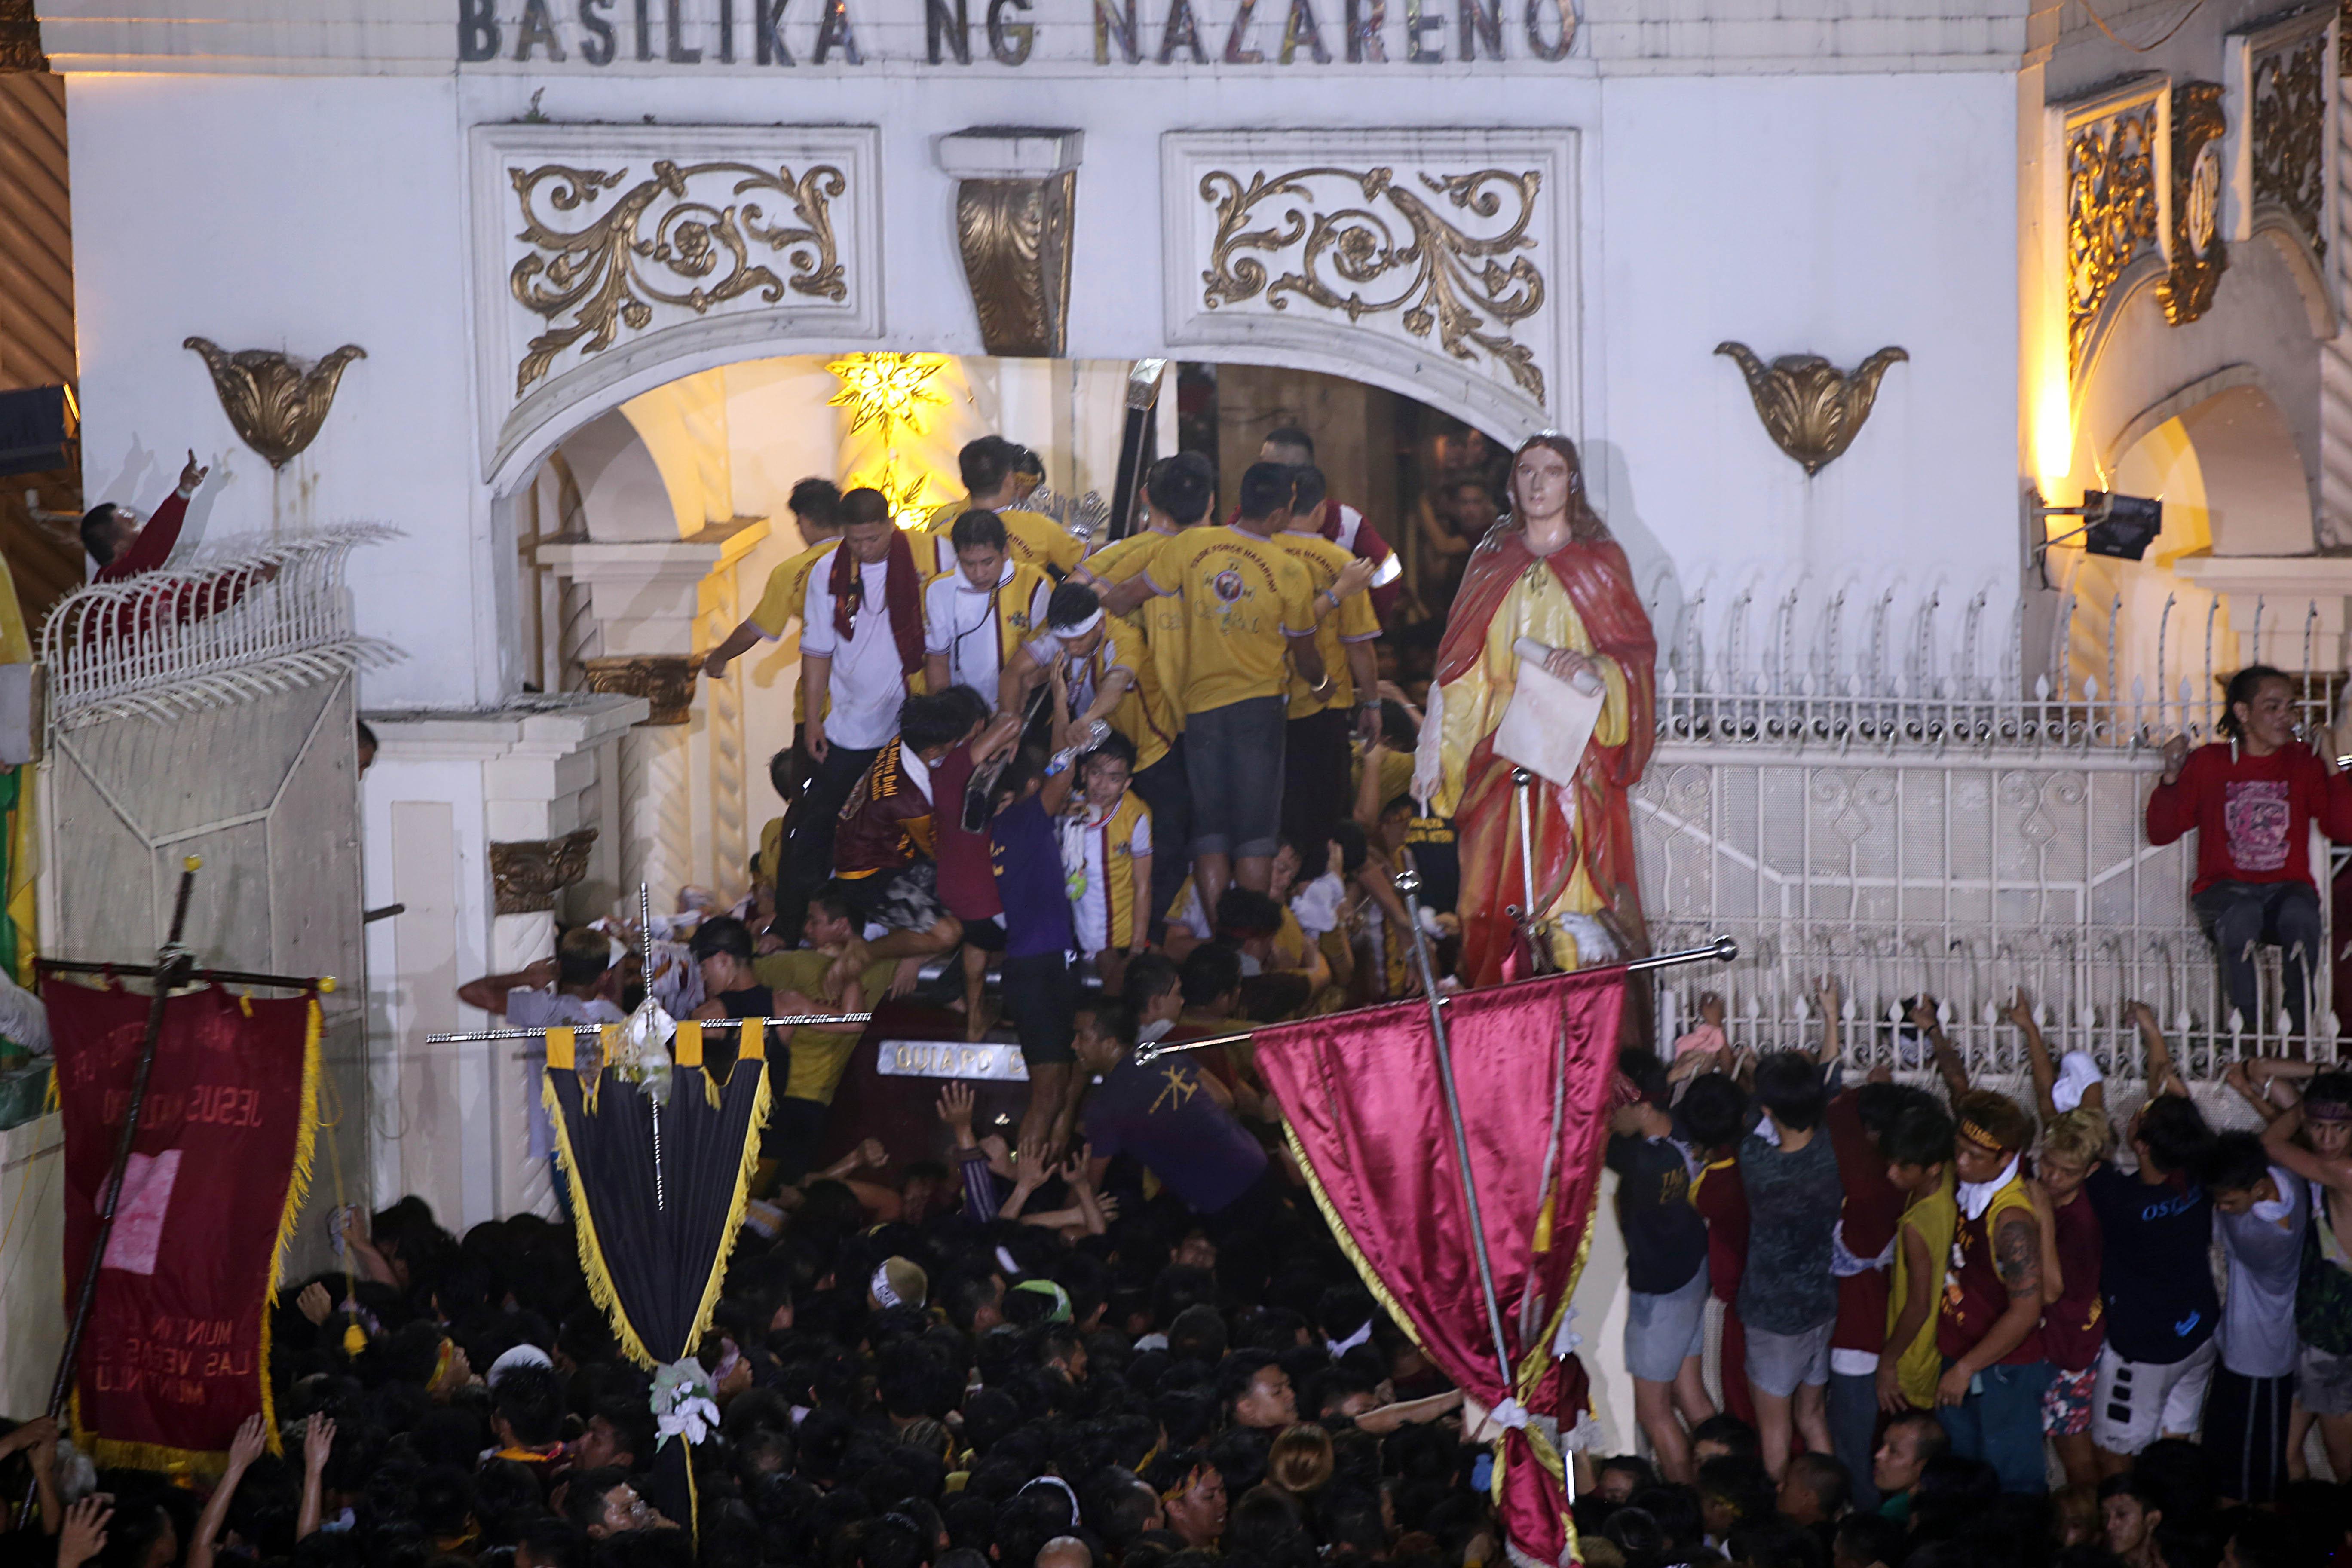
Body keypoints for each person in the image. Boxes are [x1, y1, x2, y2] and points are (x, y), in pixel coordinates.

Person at [1415, 433, 1657, 986]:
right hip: (1501, 752)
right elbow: (1463, 669)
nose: (1538, 482)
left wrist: (1593, 668)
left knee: (1572, 910)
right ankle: (1502, 1025)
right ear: (1512, 481)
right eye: (1527, 470)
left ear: (1571, 484)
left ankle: (1576, 1027)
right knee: (1493, 902)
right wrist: (1440, 744)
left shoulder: (1601, 561)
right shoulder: (1491, 560)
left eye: (1551, 471)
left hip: (1575, 758)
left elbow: (1632, 655)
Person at [1127, 462, 1327, 913]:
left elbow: (1129, 595)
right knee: (1255, 834)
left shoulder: (1192, 545)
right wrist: (1322, 684)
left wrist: (1086, 608)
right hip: (1259, 712)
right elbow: (1305, 653)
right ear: (1281, 513)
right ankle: (1249, 946)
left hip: (1200, 711)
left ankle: (1221, 938)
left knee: (1211, 831)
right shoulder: (1291, 571)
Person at [2145, 662, 2352, 1037]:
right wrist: (2171, 777)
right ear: (2242, 713)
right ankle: (2250, 1039)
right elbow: (2161, 832)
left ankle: (2300, 1038)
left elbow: (2344, 829)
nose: (2285, 717)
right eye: (2273, 707)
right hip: (2225, 891)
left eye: (2290, 707)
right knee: (2240, 914)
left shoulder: (2303, 763)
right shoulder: (2210, 763)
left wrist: (2333, 764)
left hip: (2286, 890)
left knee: (2301, 915)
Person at [788, 487, 926, 936]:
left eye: (872, 539)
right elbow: (816, 652)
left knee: (905, 829)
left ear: (890, 525)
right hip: (848, 726)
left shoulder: (925, 556)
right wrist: (813, 718)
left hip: (908, 724)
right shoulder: (827, 572)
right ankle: (809, 924)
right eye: (855, 541)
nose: (864, 549)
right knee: (824, 824)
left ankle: (901, 927)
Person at [2084, 1008, 2217, 1471]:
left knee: (2116, 1456)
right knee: (2174, 1452)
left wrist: (2086, 1079)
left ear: (2140, 1145)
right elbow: (2171, 1096)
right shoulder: (2199, 1170)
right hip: (2197, 1335)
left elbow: (2087, 1137)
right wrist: (2152, 1032)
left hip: (2144, 1352)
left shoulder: (2119, 1199)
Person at [985, 686, 1094, 1158]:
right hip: (1039, 971)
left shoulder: (998, 829)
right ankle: (1026, 1180)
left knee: (1063, 1082)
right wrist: (1061, 699)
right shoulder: (1025, 820)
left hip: (1040, 966)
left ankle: (1047, 1169)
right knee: (1048, 1089)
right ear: (1032, 787)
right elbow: (1064, 768)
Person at [1930, 1089, 2051, 1494]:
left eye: (1975, 1156)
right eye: (1958, 1149)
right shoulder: (1970, 1185)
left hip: (2002, 1372)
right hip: (1963, 1356)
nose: (1961, 1162)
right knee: (1966, 1482)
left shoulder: (2010, 1219)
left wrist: (1966, 1368)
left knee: (2011, 1484)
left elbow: (2026, 1311)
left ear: (2006, 1158)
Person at [1606, 1048, 1715, 1483]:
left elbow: (1585, 1136)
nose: (1609, 1114)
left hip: (1659, 1293)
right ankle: (1727, 1488)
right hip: (1691, 1273)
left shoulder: (1635, 1159)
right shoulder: (1685, 1127)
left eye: (1615, 1105)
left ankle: (1686, 1509)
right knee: (1692, 1396)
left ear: (1644, 1105)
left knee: (1655, 1414)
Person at [1076, 1001, 1272, 1235]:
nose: (1074, 1045)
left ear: (1109, 1044)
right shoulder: (1154, 1052)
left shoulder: (1106, 1105)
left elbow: (1090, 1182)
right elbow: (1224, 1099)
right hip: (1256, 1163)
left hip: (1223, 1199)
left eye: (1081, 1037)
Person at [1737, 1051, 1843, 1479]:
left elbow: (1748, 1123)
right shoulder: (1833, 1151)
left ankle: (1785, 1512)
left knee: (1775, 1431)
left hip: (1773, 1313)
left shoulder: (1758, 1161)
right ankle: (1832, 1508)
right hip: (1822, 1302)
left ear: (1768, 1108)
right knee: (1813, 1416)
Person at [457, 928, 624, 1186]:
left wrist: (524, 978)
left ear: (558, 967)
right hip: (614, 1136)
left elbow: (471, 992)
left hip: (563, 1138)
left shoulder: (542, 1009)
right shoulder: (617, 1018)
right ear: (604, 977)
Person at [1272, 465, 1382, 851]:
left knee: (1275, 816)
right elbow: (1359, 645)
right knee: (1320, 820)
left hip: (1265, 702)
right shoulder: (1340, 562)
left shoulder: (1261, 553)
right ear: (1321, 509)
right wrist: (1371, 702)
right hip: (1324, 704)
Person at [830, 689, 970, 982]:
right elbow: (935, 851)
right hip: (870, 875)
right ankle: (868, 953)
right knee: (948, 933)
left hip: (874, 845)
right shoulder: (911, 801)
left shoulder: (904, 742)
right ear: (933, 752)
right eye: (955, 743)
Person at [2200, 1129, 2307, 1505]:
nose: (2221, 1208)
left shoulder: (2258, 1235)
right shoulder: (2289, 1180)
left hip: (2261, 1360)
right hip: (2239, 1350)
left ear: (2259, 1190)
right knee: (2222, 1460)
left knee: (2252, 1478)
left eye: (2228, 1201)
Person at [2256, 1064, 2352, 1482]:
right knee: (2282, 1451)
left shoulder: (2344, 1172)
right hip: (2317, 1333)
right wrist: (2316, 1081)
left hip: (2336, 1340)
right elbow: (2257, 1071)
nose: (2326, 1140)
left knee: (2342, 1461)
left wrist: (2307, 1103)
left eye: (2340, 1129)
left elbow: (2270, 1142)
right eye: (2317, 1128)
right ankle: (2310, 1539)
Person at [2035, 1106, 2113, 1489]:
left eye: (2066, 1172)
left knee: (2077, 1460)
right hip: (2056, 1341)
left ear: (2090, 1172)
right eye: (2047, 1163)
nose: (2051, 1176)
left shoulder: (2079, 1222)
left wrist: (2043, 1219)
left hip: (2070, 1350)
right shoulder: (2051, 1196)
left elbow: (2053, 1289)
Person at [701, 476, 846, 680]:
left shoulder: (791, 571)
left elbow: (755, 629)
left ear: (804, 520)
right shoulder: (867, 555)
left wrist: (719, 657)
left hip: (828, 680)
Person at [1257, 426, 1400, 621]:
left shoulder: (1343, 520)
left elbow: (1388, 571)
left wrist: (1365, 623)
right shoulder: (1252, 512)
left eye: (1266, 467)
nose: (1258, 473)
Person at [922, 509, 1054, 714]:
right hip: (964, 710)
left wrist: (1023, 694)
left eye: (988, 562)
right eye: (969, 564)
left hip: (1023, 705)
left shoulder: (1034, 583)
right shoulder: (939, 589)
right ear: (957, 556)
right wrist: (947, 715)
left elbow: (1053, 654)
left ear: (1006, 552)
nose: (979, 574)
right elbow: (938, 659)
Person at [1877, 1099, 1956, 1421]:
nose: (1891, 1173)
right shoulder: (1949, 1179)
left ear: (1933, 1166)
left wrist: (1888, 1362)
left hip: (1911, 1361)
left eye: (1904, 1166)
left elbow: (1919, 1305)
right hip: (1938, 1348)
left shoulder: (1916, 1226)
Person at [1058, 733, 1152, 996]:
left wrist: (1135, 949)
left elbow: (1142, 883)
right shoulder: (1065, 804)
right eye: (1097, 774)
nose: (1102, 786)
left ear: (1126, 784)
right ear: (1085, 771)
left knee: (1114, 992)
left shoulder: (1136, 816)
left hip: (1115, 937)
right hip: (1073, 930)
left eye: (1114, 779)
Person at [922, 436, 1084, 579]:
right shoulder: (1039, 526)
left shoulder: (939, 532)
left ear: (963, 481)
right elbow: (1088, 563)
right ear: (1010, 479)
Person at [80, 448, 207, 579]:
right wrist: (182, 493)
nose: (146, 525)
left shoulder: (118, 580)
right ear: (120, 547)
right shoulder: (117, 579)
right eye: (135, 524)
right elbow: (153, 541)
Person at [1869, 1411, 1946, 1522]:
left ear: (1923, 1466)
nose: (1879, 1455)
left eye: (1893, 1451)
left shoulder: (1896, 1514)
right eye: (1883, 1445)